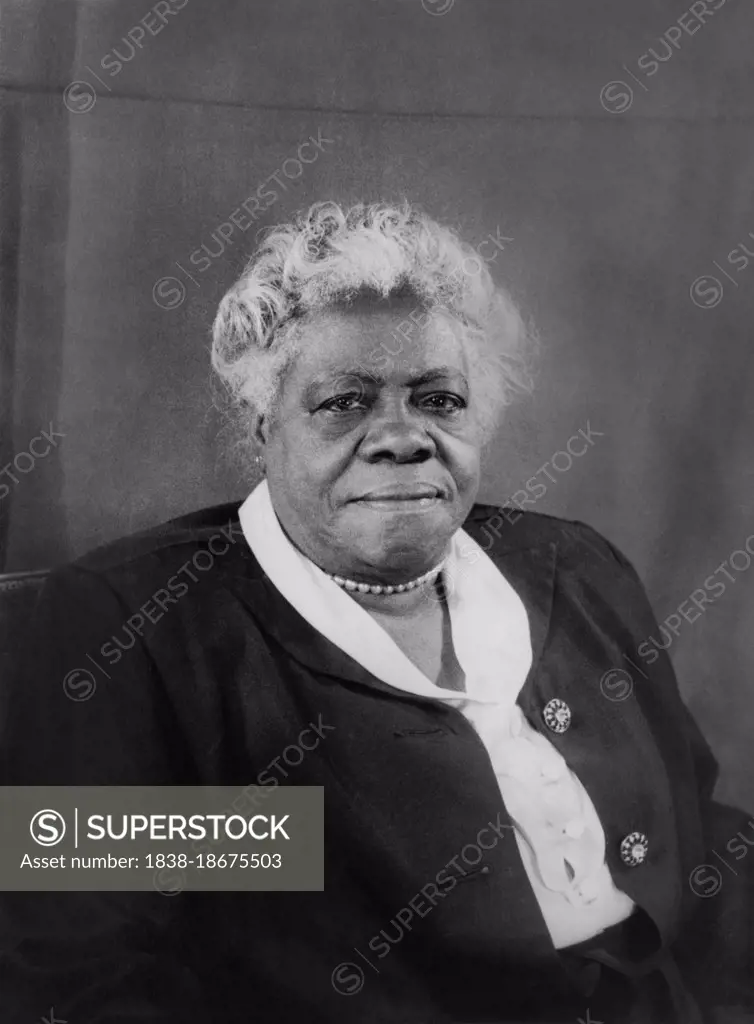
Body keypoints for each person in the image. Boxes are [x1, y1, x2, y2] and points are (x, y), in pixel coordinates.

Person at [0, 201, 751, 1024]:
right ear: (260, 425)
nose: (402, 437)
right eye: (345, 401)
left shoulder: (576, 568)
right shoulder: (134, 627)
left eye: (439, 399)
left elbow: (703, 836)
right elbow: (79, 971)